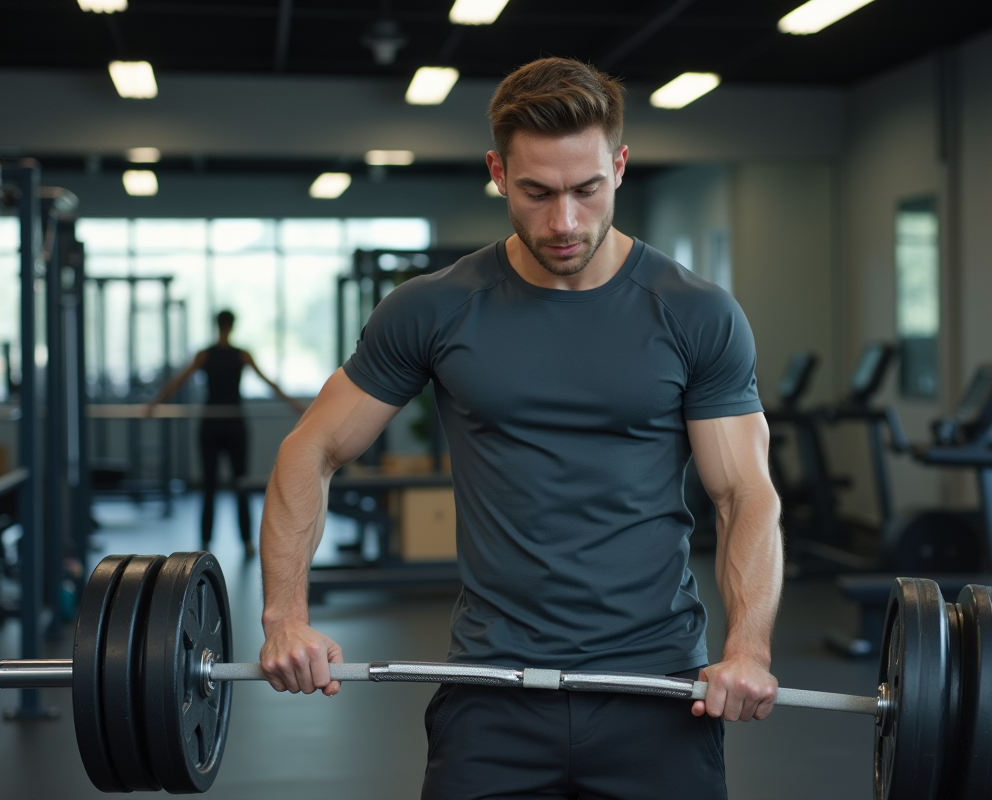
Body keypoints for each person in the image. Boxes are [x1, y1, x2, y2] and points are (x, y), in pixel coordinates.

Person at [258, 57, 783, 798]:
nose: (564, 221)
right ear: (498, 173)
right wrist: (286, 618)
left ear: (620, 166)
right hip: (491, 686)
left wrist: (748, 649)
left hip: (658, 685)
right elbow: (310, 448)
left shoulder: (696, 313)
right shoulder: (435, 308)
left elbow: (744, 494)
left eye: (586, 190)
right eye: (537, 192)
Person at [149, 310, 303, 555]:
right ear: (232, 326)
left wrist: (154, 402)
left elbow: (178, 382)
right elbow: (269, 384)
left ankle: (210, 542)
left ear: (218, 325)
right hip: (228, 424)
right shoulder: (237, 354)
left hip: (218, 424)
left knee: (218, 484)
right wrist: (293, 404)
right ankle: (244, 542)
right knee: (237, 483)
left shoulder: (207, 355)